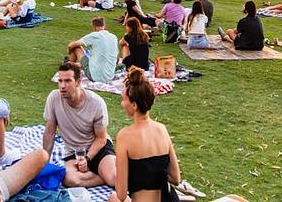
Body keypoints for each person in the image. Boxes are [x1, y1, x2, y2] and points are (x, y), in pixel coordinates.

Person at [109, 67, 181, 202]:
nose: (122, 104)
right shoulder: (162, 129)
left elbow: (121, 194)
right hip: (169, 199)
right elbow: (176, 178)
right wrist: (154, 171)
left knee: (113, 198)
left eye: (123, 99)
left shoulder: (125, 136)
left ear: (134, 105)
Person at [43, 61, 116, 188]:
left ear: (78, 82)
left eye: (67, 81)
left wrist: (87, 159)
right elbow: (49, 133)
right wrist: (44, 162)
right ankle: (103, 175)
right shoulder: (53, 98)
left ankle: (108, 173)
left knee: (114, 179)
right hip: (73, 152)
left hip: (98, 149)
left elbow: (101, 138)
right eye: (60, 81)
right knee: (69, 180)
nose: (62, 86)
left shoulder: (96, 103)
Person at [67, 17, 119, 83]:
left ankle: (68, 68)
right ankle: (71, 65)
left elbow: (71, 45)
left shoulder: (95, 35)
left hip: (95, 76)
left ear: (94, 27)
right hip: (109, 76)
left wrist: (69, 51)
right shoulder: (114, 37)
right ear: (104, 25)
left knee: (76, 47)